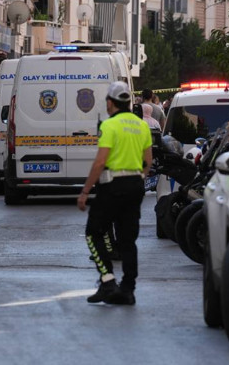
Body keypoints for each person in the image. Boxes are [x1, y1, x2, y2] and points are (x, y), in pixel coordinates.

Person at [77, 81, 152, 306]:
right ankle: (128, 289)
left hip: (112, 186)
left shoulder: (109, 126)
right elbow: (148, 161)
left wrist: (85, 191)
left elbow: (100, 162)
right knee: (128, 240)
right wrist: (139, 178)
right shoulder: (141, 125)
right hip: (135, 186)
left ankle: (108, 280)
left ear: (110, 102)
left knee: (93, 232)